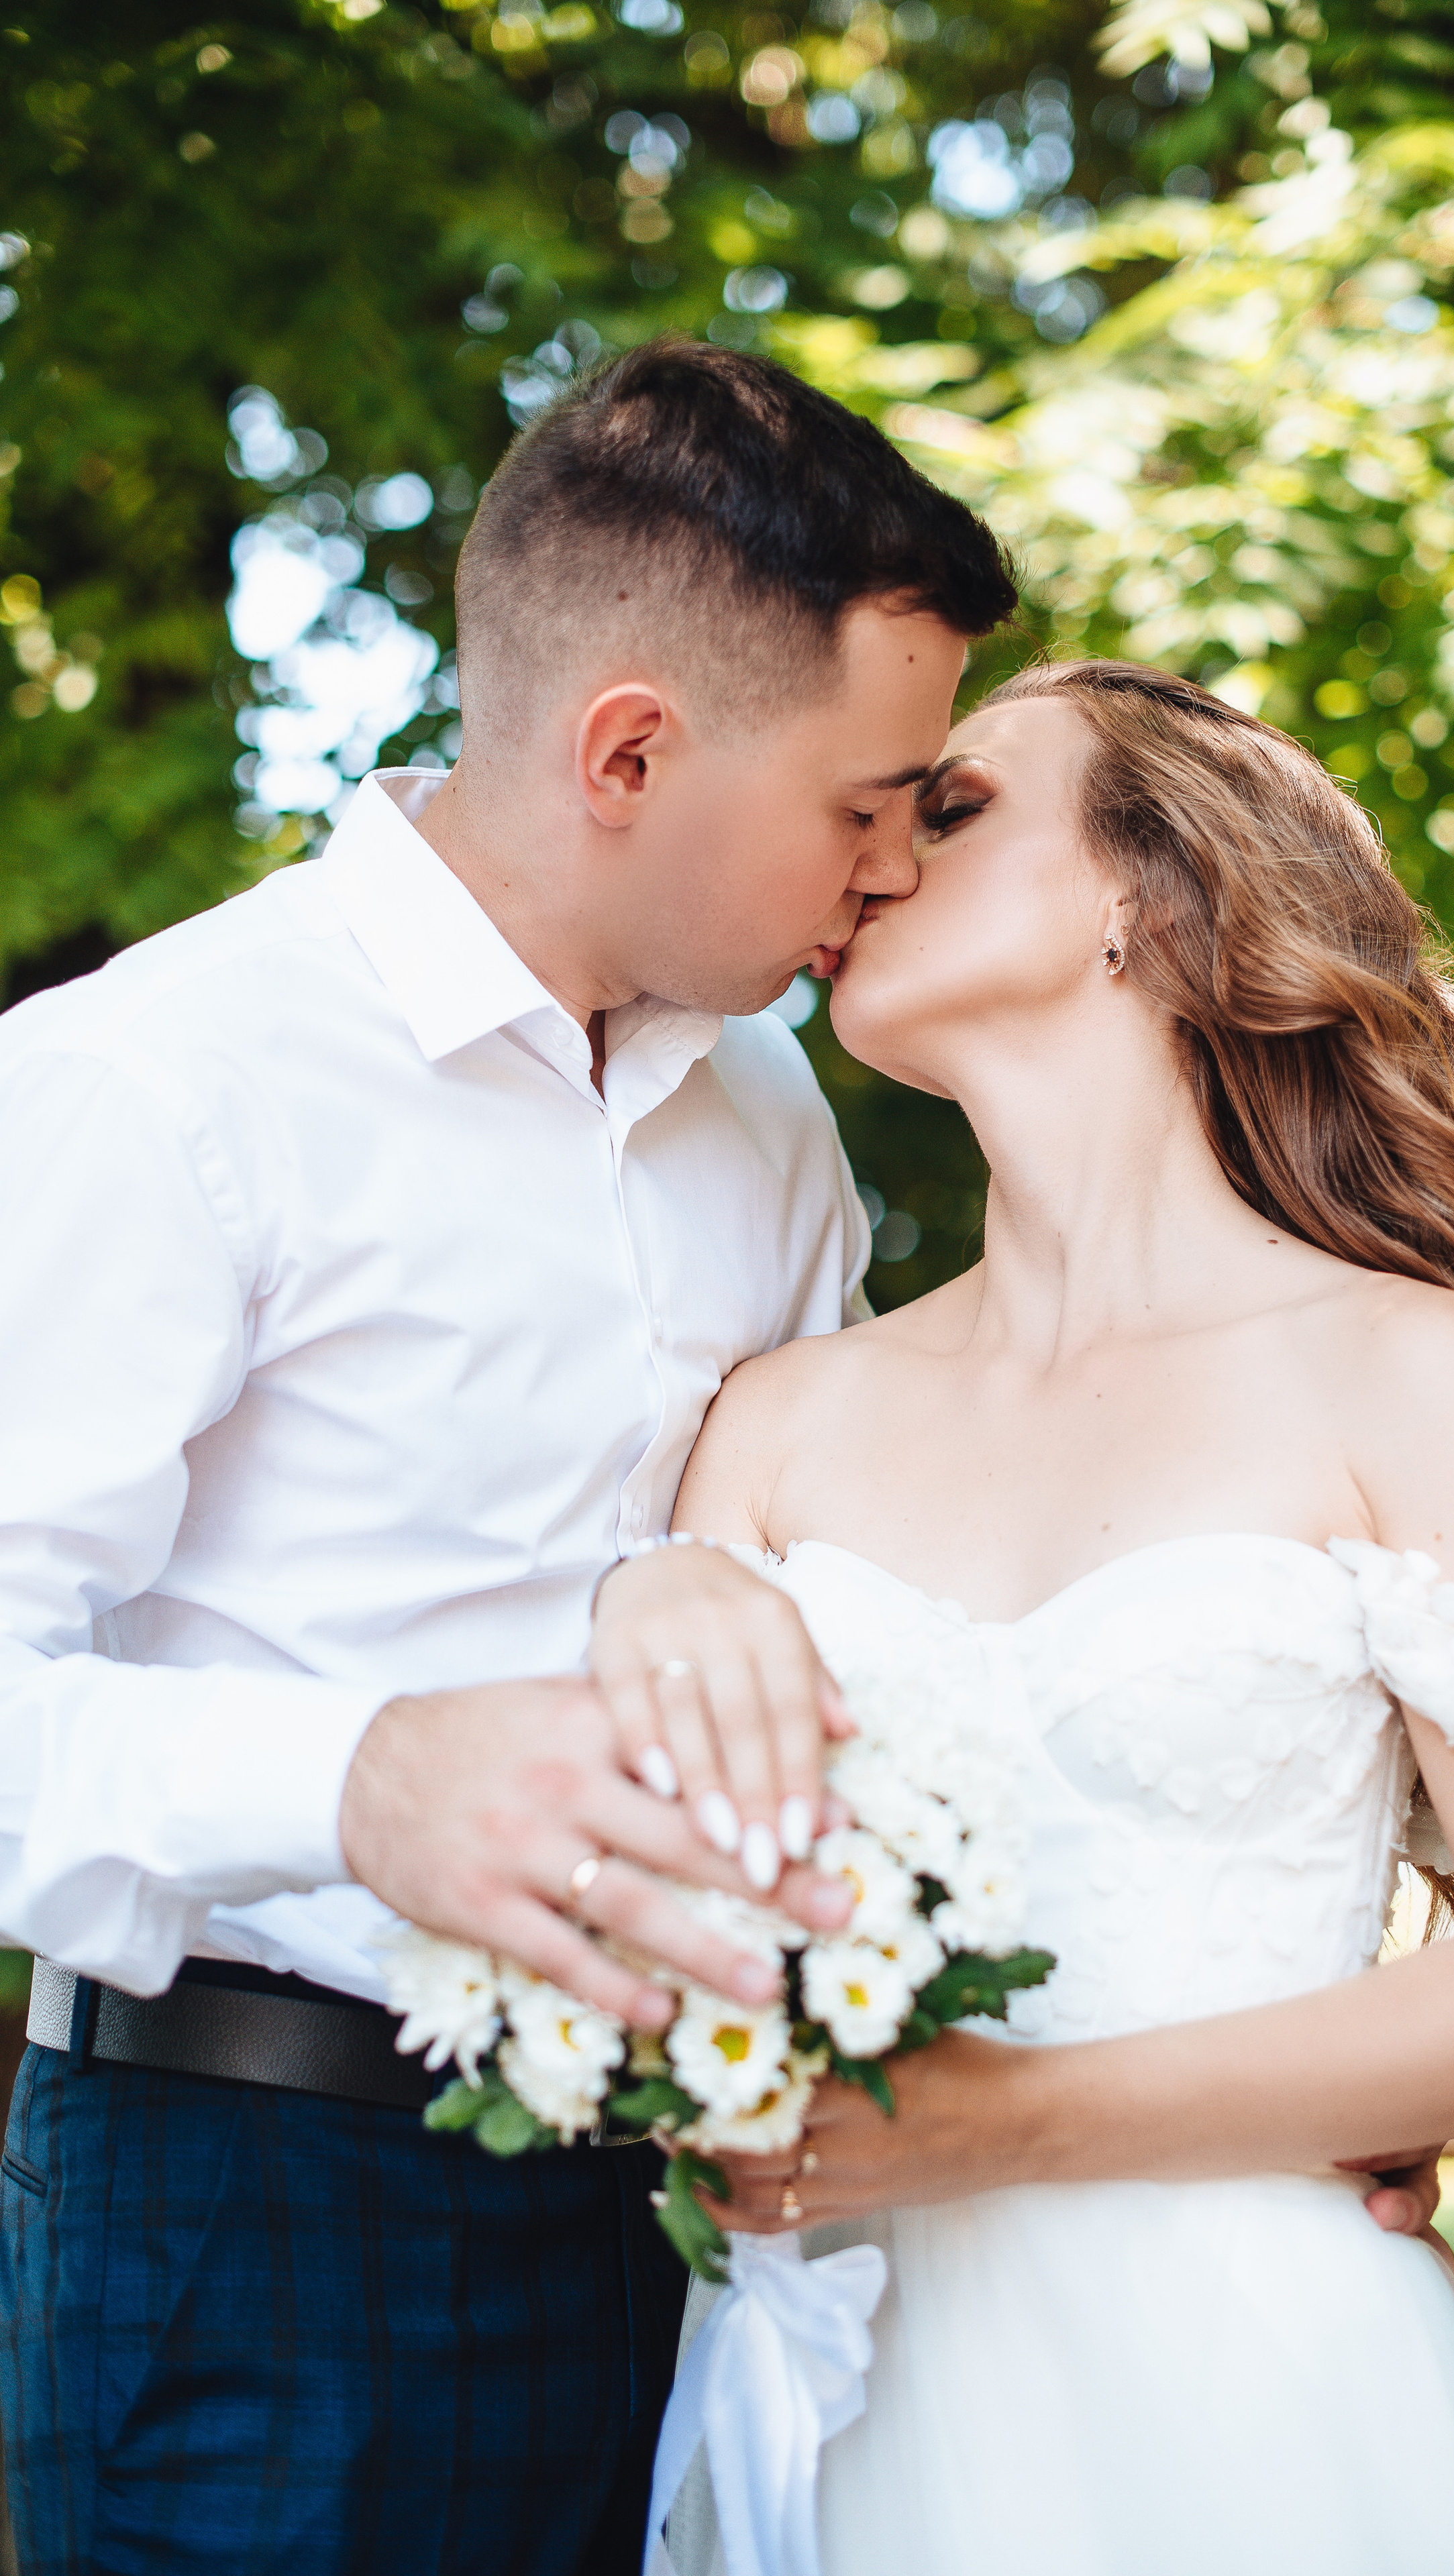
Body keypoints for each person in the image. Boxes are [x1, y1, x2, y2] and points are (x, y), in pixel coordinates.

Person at [0, 342, 1016, 2575]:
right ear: (629, 748)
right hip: (243, 2204)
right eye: (865, 805)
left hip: (686, 2208)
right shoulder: (150, 1084)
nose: (883, 874)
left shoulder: (772, 1127)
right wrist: (350, 1779)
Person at [650, 660, 1454, 2573]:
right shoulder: (779, 1417)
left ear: (1156, 895)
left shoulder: (1398, 1366)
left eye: (951, 808)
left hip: (1261, 2412)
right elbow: (658, 1918)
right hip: (843, 2400)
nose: (872, 853)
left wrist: (1007, 2122)